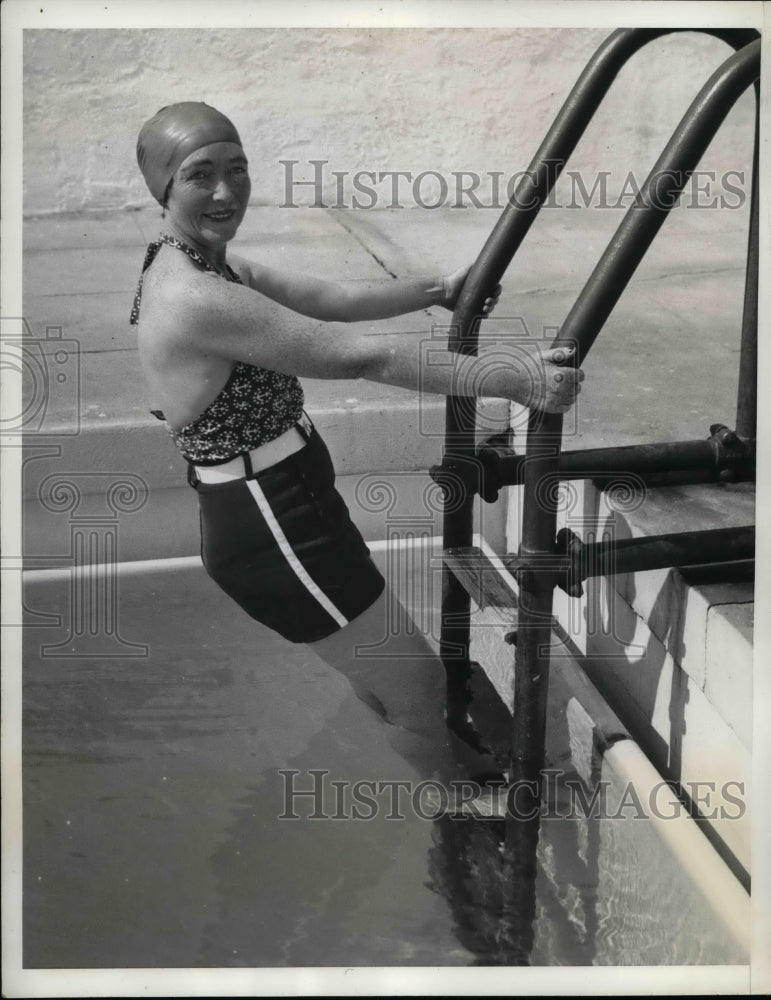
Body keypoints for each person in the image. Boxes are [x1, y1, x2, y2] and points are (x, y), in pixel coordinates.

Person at [130, 102, 583, 784]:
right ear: (162, 186)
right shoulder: (193, 297)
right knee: (413, 693)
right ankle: (464, 843)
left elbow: (332, 299)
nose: (225, 192)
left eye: (237, 169)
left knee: (393, 686)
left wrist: (438, 289)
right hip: (273, 526)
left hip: (289, 507)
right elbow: (358, 356)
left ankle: (467, 791)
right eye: (200, 175)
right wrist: (512, 379)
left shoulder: (212, 264)